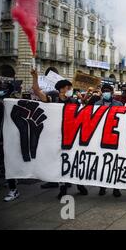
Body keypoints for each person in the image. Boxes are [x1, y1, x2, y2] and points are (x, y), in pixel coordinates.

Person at [31, 68, 88, 199]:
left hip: (72, 136)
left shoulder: (73, 101)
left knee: (75, 160)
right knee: (61, 162)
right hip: (57, 136)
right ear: (62, 89)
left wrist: (83, 101)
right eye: (69, 88)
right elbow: (37, 91)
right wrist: (35, 77)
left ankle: (79, 183)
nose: (70, 90)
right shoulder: (53, 99)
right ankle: (63, 188)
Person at [95, 84, 123, 198]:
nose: (106, 93)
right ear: (102, 93)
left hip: (114, 136)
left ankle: (116, 187)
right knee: (103, 163)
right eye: (104, 91)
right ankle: (103, 186)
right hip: (101, 137)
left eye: (108, 91)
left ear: (112, 93)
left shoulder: (119, 104)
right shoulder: (97, 104)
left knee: (115, 162)